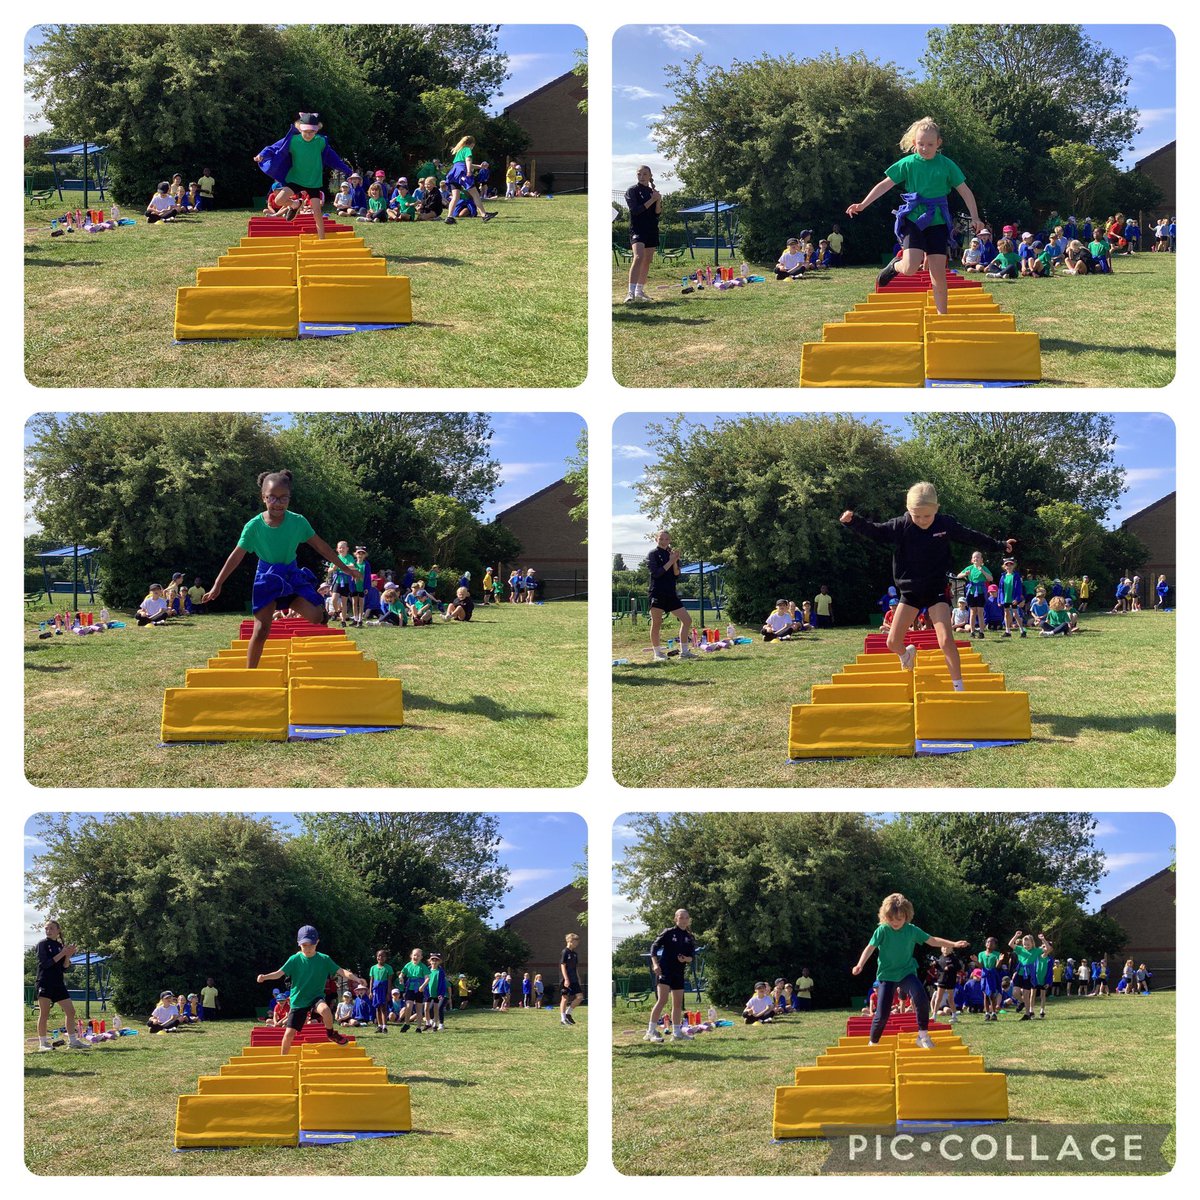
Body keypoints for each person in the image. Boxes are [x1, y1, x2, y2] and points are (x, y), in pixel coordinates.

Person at [841, 482, 1015, 688]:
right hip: (910, 593)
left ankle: (959, 686)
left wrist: (999, 544)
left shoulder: (944, 525)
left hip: (936, 591)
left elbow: (971, 536)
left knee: (945, 640)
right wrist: (853, 522)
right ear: (908, 511)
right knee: (892, 643)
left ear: (936, 509)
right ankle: (906, 655)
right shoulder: (900, 526)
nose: (922, 521)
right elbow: (876, 532)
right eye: (917, 516)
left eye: (927, 516)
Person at [203, 470, 360, 669]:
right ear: (263, 497)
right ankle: (249, 674)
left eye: (283, 498)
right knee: (261, 630)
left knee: (316, 617)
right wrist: (218, 584)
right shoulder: (253, 527)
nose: (278, 503)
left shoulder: (298, 522)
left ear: (289, 498)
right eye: (272, 497)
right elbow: (236, 556)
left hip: (290, 575)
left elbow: (321, 546)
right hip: (266, 578)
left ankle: (304, 605)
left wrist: (345, 568)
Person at [846, 116, 983, 315]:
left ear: (938, 143)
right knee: (910, 267)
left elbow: (965, 191)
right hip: (914, 220)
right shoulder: (908, 164)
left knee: (938, 273)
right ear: (913, 143)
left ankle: (942, 315)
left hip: (937, 221)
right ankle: (895, 266)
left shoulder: (946, 165)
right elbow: (885, 184)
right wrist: (863, 204)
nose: (925, 148)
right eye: (920, 144)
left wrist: (976, 217)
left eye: (930, 144)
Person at [852, 892, 969, 1047]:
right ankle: (873, 1042)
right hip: (887, 975)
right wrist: (860, 964)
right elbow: (870, 947)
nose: (895, 922)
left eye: (899, 919)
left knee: (921, 997)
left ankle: (922, 1036)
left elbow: (932, 940)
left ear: (906, 916)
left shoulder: (912, 930)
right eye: (891, 918)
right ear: (885, 916)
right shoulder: (882, 930)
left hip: (906, 972)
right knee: (882, 1013)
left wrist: (953, 944)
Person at [256, 925, 361, 1052]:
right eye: (304, 945)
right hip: (299, 1001)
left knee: (326, 1010)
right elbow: (279, 973)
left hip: (315, 997)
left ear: (317, 942)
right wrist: (264, 977)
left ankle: (330, 1033)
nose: (307, 948)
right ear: (299, 944)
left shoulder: (324, 959)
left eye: (311, 945)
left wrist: (356, 979)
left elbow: (341, 971)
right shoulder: (294, 959)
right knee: (289, 1034)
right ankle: (283, 1059)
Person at [255, 112, 353, 240]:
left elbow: (334, 159)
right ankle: (295, 204)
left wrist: (349, 172)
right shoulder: (293, 140)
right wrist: (261, 155)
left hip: (313, 182)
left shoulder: (321, 142)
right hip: (295, 179)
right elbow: (273, 148)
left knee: (317, 212)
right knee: (279, 200)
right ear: (299, 128)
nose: (308, 135)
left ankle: (322, 240)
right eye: (305, 131)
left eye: (311, 132)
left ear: (317, 130)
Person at [34, 920, 88, 1051]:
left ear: (58, 930)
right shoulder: (42, 944)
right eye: (46, 928)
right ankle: (43, 1044)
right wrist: (63, 953)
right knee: (44, 1013)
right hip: (45, 982)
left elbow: (64, 968)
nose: (48, 930)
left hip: (58, 983)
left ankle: (73, 1041)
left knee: (71, 1011)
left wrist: (67, 956)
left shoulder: (59, 946)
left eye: (51, 928)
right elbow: (45, 964)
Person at [644, 909, 696, 1043]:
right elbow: (654, 948)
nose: (684, 920)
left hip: (678, 973)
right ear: (676, 919)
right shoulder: (668, 932)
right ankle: (650, 1032)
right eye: (681, 917)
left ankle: (677, 1033)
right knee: (662, 1000)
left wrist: (685, 959)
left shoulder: (689, 937)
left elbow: (692, 957)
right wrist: (655, 964)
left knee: (678, 1004)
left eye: (686, 918)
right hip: (665, 971)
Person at [647, 530, 695, 662]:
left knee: (687, 620)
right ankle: (657, 654)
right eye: (661, 538)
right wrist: (670, 561)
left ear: (670, 540)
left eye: (666, 539)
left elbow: (676, 574)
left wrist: (674, 560)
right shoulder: (653, 554)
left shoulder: (671, 554)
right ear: (656, 539)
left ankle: (684, 652)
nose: (664, 541)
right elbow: (657, 573)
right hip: (657, 592)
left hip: (671, 594)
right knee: (657, 623)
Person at [623, 165, 662, 303]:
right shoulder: (632, 191)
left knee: (647, 260)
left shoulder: (652, 191)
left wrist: (658, 200)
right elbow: (635, 211)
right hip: (638, 229)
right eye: (639, 174)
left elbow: (657, 212)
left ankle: (640, 291)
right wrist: (652, 199)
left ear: (650, 176)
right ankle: (630, 293)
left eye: (645, 174)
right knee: (638, 257)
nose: (642, 176)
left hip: (651, 229)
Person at [443, 137, 497, 226]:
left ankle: (449, 217)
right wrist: (468, 171)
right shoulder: (467, 149)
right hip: (463, 173)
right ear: (472, 144)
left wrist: (480, 167)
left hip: (454, 173)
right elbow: (468, 161)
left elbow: (463, 163)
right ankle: (484, 215)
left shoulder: (459, 150)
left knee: (455, 197)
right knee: (475, 194)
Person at [1009, 931, 1053, 1019]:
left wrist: (1043, 939)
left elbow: (1048, 948)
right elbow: (1010, 944)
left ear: (1032, 943)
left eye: (1028, 944)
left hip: (1028, 974)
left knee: (1026, 994)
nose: (1026, 946)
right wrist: (1016, 935)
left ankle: (1027, 1014)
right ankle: (1021, 1002)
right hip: (1019, 973)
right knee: (1014, 992)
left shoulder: (1036, 951)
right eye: (1025, 944)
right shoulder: (1020, 949)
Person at [397, 948, 431, 1033]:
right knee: (408, 1006)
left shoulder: (423, 967)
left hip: (419, 990)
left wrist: (423, 986)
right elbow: (402, 974)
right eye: (415, 955)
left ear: (421, 957)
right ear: (411, 956)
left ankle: (419, 1027)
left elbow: (427, 978)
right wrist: (401, 977)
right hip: (410, 989)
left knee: (418, 1009)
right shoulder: (408, 965)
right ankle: (407, 1023)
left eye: (418, 955)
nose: (416, 957)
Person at [368, 948, 394, 1035]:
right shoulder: (373, 968)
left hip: (384, 989)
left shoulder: (388, 968)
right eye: (379, 955)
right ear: (376, 957)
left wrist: (388, 993)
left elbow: (390, 981)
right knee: (377, 1008)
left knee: (384, 1008)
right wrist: (370, 991)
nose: (380, 957)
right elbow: (371, 980)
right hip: (376, 989)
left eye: (383, 956)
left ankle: (384, 1026)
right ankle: (379, 1025)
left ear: (385, 958)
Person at [978, 937, 1004, 1022]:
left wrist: (1000, 961)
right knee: (985, 994)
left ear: (995, 945)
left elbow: (997, 967)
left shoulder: (996, 954)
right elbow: (981, 966)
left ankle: (993, 1013)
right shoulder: (981, 954)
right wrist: (976, 961)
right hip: (985, 975)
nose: (990, 944)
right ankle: (987, 1013)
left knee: (992, 994)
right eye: (988, 942)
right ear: (986, 944)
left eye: (992, 943)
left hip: (992, 975)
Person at [560, 932, 584, 1027]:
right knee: (565, 998)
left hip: (574, 979)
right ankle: (563, 1019)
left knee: (580, 997)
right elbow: (563, 966)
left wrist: (578, 977)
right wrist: (566, 979)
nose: (577, 943)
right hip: (566, 979)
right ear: (570, 941)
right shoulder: (565, 952)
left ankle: (568, 1013)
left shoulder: (575, 954)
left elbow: (575, 968)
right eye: (576, 941)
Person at [425, 952, 449, 1031]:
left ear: (439, 961)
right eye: (432, 960)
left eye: (436, 960)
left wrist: (441, 994)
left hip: (439, 993)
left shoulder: (440, 972)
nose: (434, 961)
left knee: (439, 1008)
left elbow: (443, 984)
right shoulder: (427, 970)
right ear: (430, 961)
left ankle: (440, 1024)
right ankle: (432, 1022)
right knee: (430, 1009)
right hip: (430, 994)